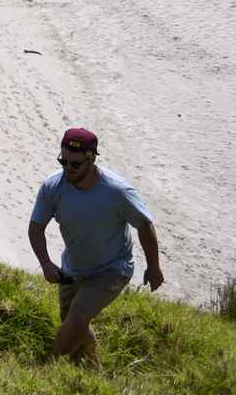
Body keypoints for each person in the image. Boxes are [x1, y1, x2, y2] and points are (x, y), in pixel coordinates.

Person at [28, 128, 164, 366]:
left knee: (78, 315)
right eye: (63, 162)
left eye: (75, 164)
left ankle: (46, 368)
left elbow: (144, 225)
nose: (68, 169)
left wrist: (154, 267)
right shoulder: (53, 187)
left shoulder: (117, 191)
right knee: (73, 322)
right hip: (74, 268)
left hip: (113, 268)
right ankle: (91, 363)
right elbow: (36, 228)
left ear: (91, 159)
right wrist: (46, 264)